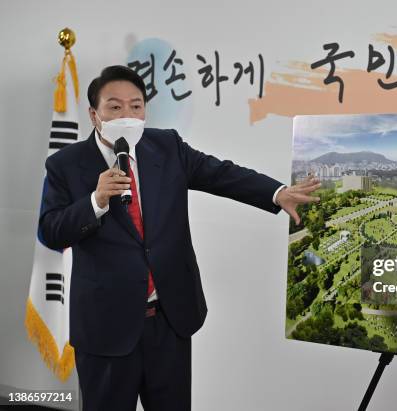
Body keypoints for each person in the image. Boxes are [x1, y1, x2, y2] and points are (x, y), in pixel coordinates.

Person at [39, 65, 320, 411]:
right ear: (94, 114)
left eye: (136, 105)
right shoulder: (65, 164)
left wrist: (276, 193)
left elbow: (221, 174)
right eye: (115, 107)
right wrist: (94, 202)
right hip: (105, 330)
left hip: (169, 320)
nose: (127, 114)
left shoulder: (166, 146)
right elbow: (50, 231)